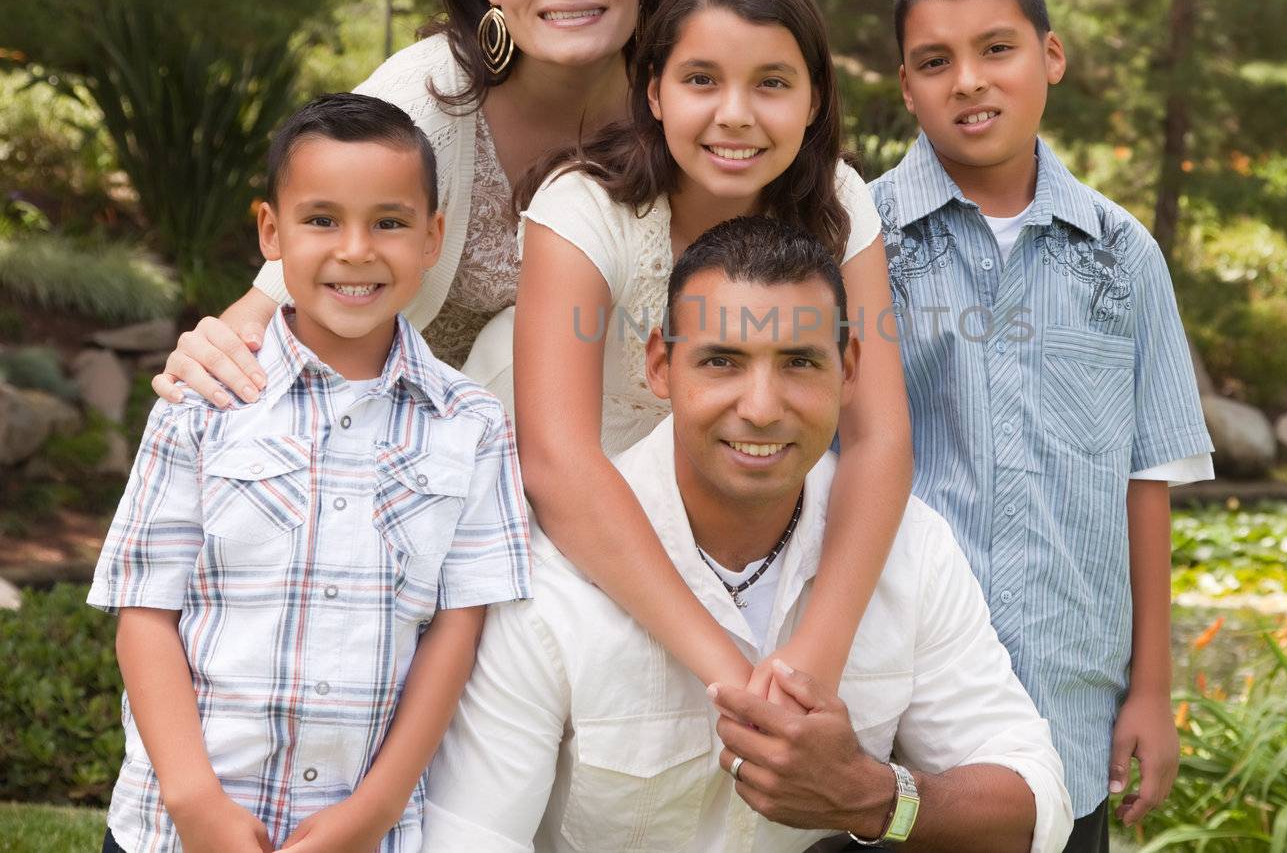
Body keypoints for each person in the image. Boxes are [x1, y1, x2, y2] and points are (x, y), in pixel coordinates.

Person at [420, 216, 1072, 853]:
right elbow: (470, 835)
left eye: (799, 363)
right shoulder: (546, 579)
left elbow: (1033, 802)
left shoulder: (911, 548)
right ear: (660, 366)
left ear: (848, 369)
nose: (761, 407)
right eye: (723, 361)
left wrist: (872, 798)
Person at [89, 94, 535, 853]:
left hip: (363, 830)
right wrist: (194, 800)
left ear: (432, 236)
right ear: (272, 232)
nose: (356, 249)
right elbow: (144, 607)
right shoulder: (205, 400)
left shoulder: (473, 424)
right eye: (322, 219)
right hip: (177, 827)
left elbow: (457, 630)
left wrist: (376, 808)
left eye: (389, 222)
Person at [487, 0, 911, 698]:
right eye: (701, 80)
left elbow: (878, 433)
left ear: (814, 100)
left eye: (772, 83)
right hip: (569, 515)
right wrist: (729, 666)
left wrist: (814, 652)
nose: (736, 114)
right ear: (653, 92)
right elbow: (556, 462)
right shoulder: (582, 208)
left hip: (738, 505)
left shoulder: (840, 200)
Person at [870, 0, 1214, 851]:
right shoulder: (858, 240)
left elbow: (1147, 479)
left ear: (1050, 57)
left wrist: (1150, 688)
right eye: (935, 62)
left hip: (1073, 703)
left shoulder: (1121, 255)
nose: (969, 81)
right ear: (905, 86)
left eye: (997, 49)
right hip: (903, 707)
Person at [152, 0, 677, 396]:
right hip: (390, 437)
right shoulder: (423, 97)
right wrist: (213, 362)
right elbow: (286, 287)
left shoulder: (687, 102)